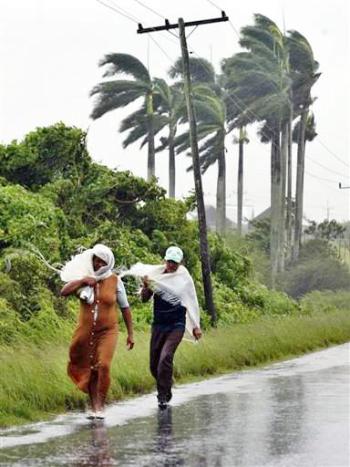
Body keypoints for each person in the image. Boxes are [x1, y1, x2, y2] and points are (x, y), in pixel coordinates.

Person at [60, 244, 134, 419]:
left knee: (103, 365)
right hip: (86, 332)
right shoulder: (84, 277)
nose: (99, 264)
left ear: (108, 264)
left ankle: (100, 405)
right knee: (91, 369)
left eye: (103, 262)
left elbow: (125, 308)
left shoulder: (115, 280)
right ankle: (94, 408)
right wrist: (83, 281)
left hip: (108, 331)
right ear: (92, 260)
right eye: (96, 260)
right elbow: (63, 292)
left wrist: (130, 334)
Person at [139, 246, 202, 409]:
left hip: (177, 324)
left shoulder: (184, 278)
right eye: (169, 261)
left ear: (180, 263)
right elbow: (144, 299)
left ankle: (162, 395)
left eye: (175, 263)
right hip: (159, 324)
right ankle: (167, 383)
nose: (171, 265)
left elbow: (191, 301)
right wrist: (146, 286)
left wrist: (196, 326)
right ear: (164, 260)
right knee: (154, 364)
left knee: (165, 357)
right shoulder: (156, 276)